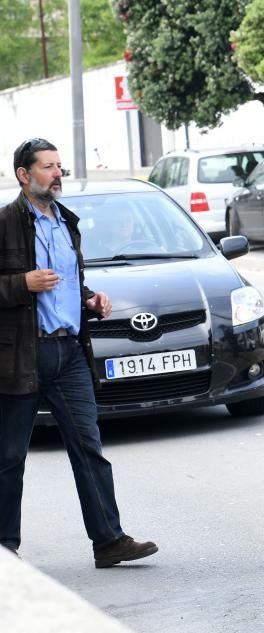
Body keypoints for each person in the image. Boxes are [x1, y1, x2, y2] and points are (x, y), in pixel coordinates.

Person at [0, 138, 157, 567]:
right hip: (21, 357)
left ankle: (109, 541)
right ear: (23, 174)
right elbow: (25, 285)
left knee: (89, 448)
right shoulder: (6, 223)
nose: (57, 173)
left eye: (58, 166)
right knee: (9, 457)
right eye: (48, 166)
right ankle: (5, 548)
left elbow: (65, 282)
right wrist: (21, 284)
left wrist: (88, 299)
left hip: (69, 352)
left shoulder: (66, 221)